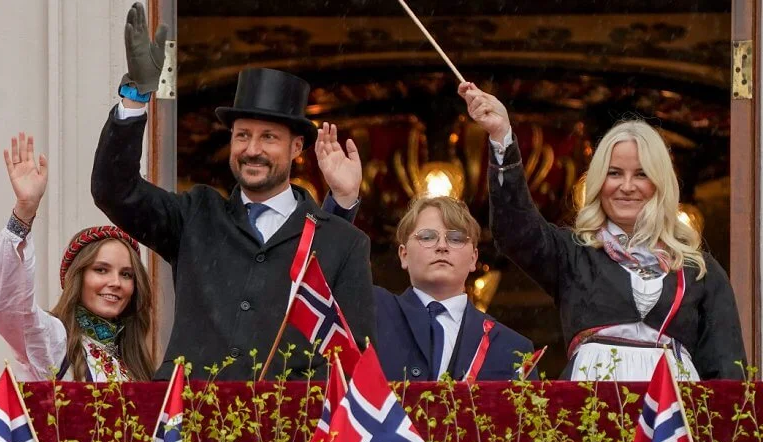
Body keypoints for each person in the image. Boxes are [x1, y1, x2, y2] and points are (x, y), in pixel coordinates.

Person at [91, 3, 374, 380]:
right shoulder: (195, 215)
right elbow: (114, 190)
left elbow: (349, 362)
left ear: (296, 149)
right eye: (242, 135)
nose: (252, 149)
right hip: (186, 421)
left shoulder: (342, 241)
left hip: (282, 430)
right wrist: (134, 99)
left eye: (269, 137)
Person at [456, 81, 747, 380]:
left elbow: (727, 371)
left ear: (660, 184)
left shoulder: (699, 270)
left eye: (642, 175)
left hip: (672, 416)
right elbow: (515, 230)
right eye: (615, 173)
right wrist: (502, 136)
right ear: (598, 181)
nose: (627, 186)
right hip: (590, 409)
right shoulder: (574, 253)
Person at [315, 123, 536, 381]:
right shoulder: (373, 311)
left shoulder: (513, 348)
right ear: (403, 254)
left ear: (474, 258)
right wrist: (342, 200)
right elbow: (317, 283)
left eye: (455, 238)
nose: (442, 246)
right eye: (427, 237)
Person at [0, 133, 155, 382]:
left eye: (126, 274)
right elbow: (5, 303)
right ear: (77, 278)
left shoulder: (135, 364)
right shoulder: (53, 343)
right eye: (101, 270)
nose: (116, 282)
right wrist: (24, 212)